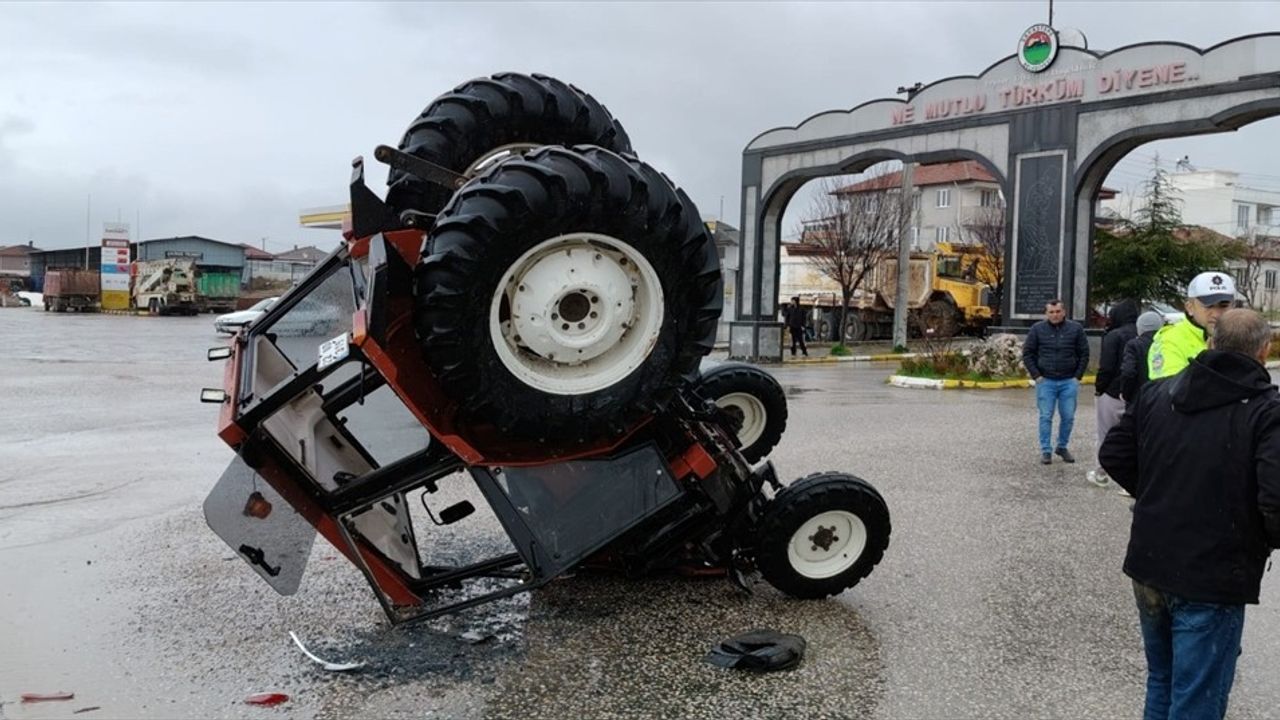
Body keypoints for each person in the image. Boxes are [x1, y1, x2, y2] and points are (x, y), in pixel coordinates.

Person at [1099, 309, 1280, 720]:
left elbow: (1113, 453)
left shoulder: (1158, 392)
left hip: (1149, 562)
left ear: (1211, 343)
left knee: (1163, 680)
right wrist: (1257, 535)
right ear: (1265, 351)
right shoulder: (1267, 410)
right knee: (1196, 696)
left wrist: (1159, 495)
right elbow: (1275, 500)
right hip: (1211, 575)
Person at [1021, 299, 1089, 465]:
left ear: (1064, 312)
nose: (1055, 315)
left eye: (1058, 311)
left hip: (1068, 381)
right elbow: (1028, 353)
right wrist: (1037, 376)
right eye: (1051, 312)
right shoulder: (1037, 329)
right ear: (1046, 314)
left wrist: (1077, 377)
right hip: (1046, 381)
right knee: (1045, 417)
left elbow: (1084, 353)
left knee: (1068, 417)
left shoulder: (1076, 329)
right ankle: (1046, 450)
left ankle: (1062, 446)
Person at [1148, 272, 1236, 379]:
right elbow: (1169, 391)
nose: (1216, 314)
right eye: (1208, 306)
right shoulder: (1170, 340)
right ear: (1190, 307)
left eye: (1223, 306)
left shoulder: (1241, 336)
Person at [1089, 300, 1139, 486]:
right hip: (1138, 393)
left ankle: (1101, 473)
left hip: (1112, 392)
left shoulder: (1114, 335)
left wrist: (1099, 388)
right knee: (1135, 436)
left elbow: (1107, 367)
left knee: (1105, 433)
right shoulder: (1146, 334)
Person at [1119, 310, 1164, 408]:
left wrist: (1126, 393)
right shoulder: (1166, 344)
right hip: (1161, 398)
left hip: (1138, 399)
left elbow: (1128, 371)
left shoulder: (1134, 345)